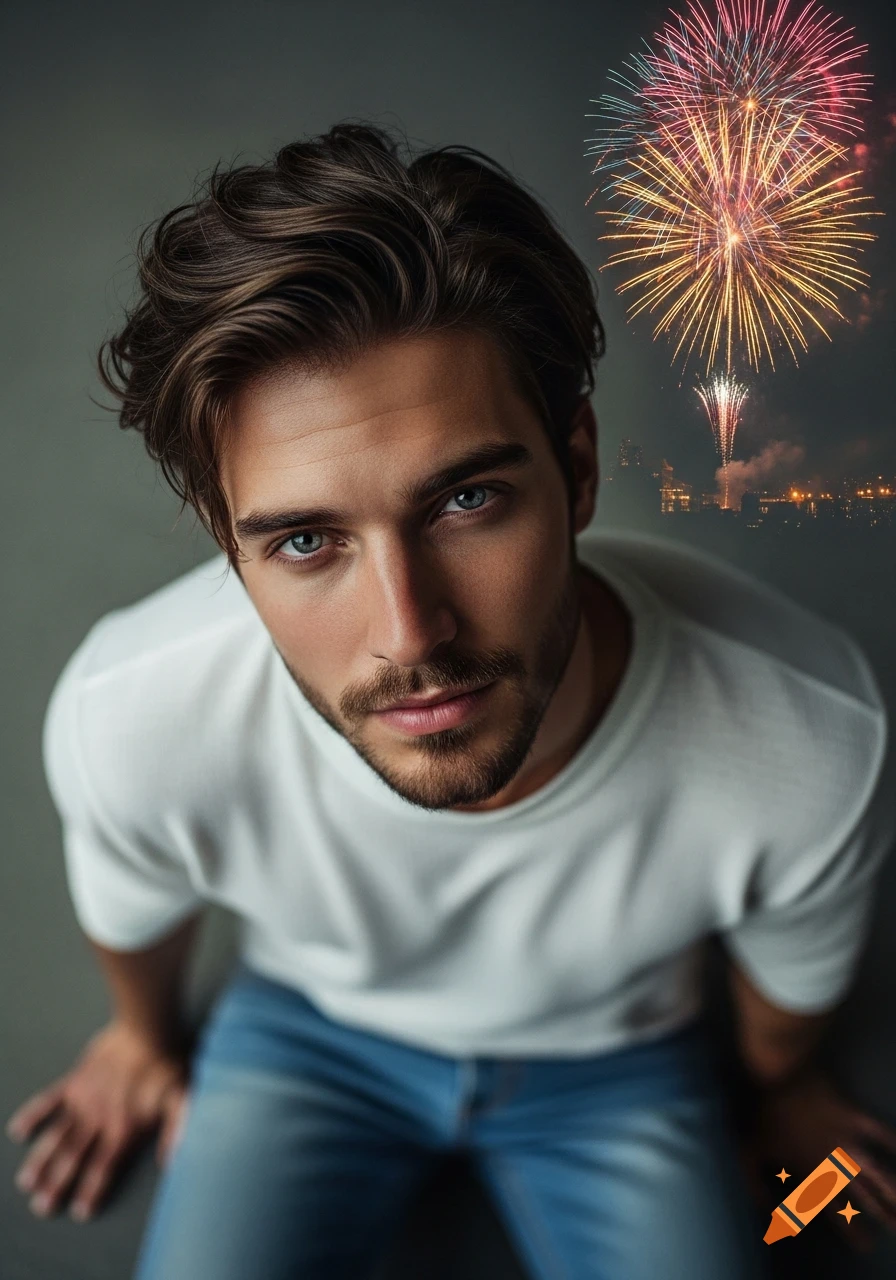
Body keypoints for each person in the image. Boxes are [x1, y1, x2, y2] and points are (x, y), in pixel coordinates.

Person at [6, 122, 896, 1280]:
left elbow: (782, 1014)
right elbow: (134, 911)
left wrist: (783, 1092)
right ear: (229, 547)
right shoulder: (131, 709)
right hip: (303, 1039)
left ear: (574, 466)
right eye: (308, 539)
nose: (409, 632)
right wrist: (138, 1036)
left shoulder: (810, 734)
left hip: (620, 1064)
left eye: (467, 498)